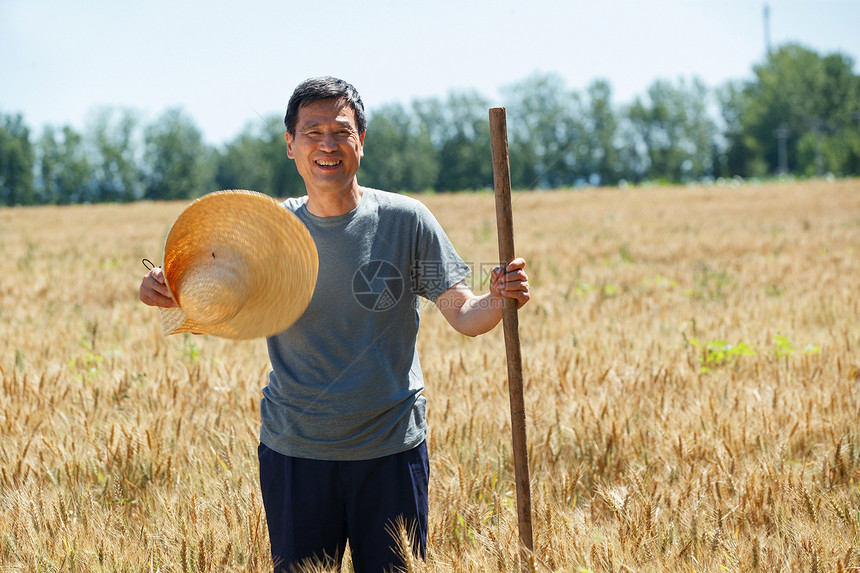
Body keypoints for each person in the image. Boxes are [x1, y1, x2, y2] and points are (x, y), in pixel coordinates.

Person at [139, 76, 530, 573]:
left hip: (391, 452)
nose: (328, 144)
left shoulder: (407, 221)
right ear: (290, 145)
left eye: (342, 131)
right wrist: (160, 287)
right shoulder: (268, 232)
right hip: (296, 452)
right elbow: (201, 291)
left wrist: (499, 298)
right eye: (313, 131)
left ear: (361, 142)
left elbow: (464, 312)